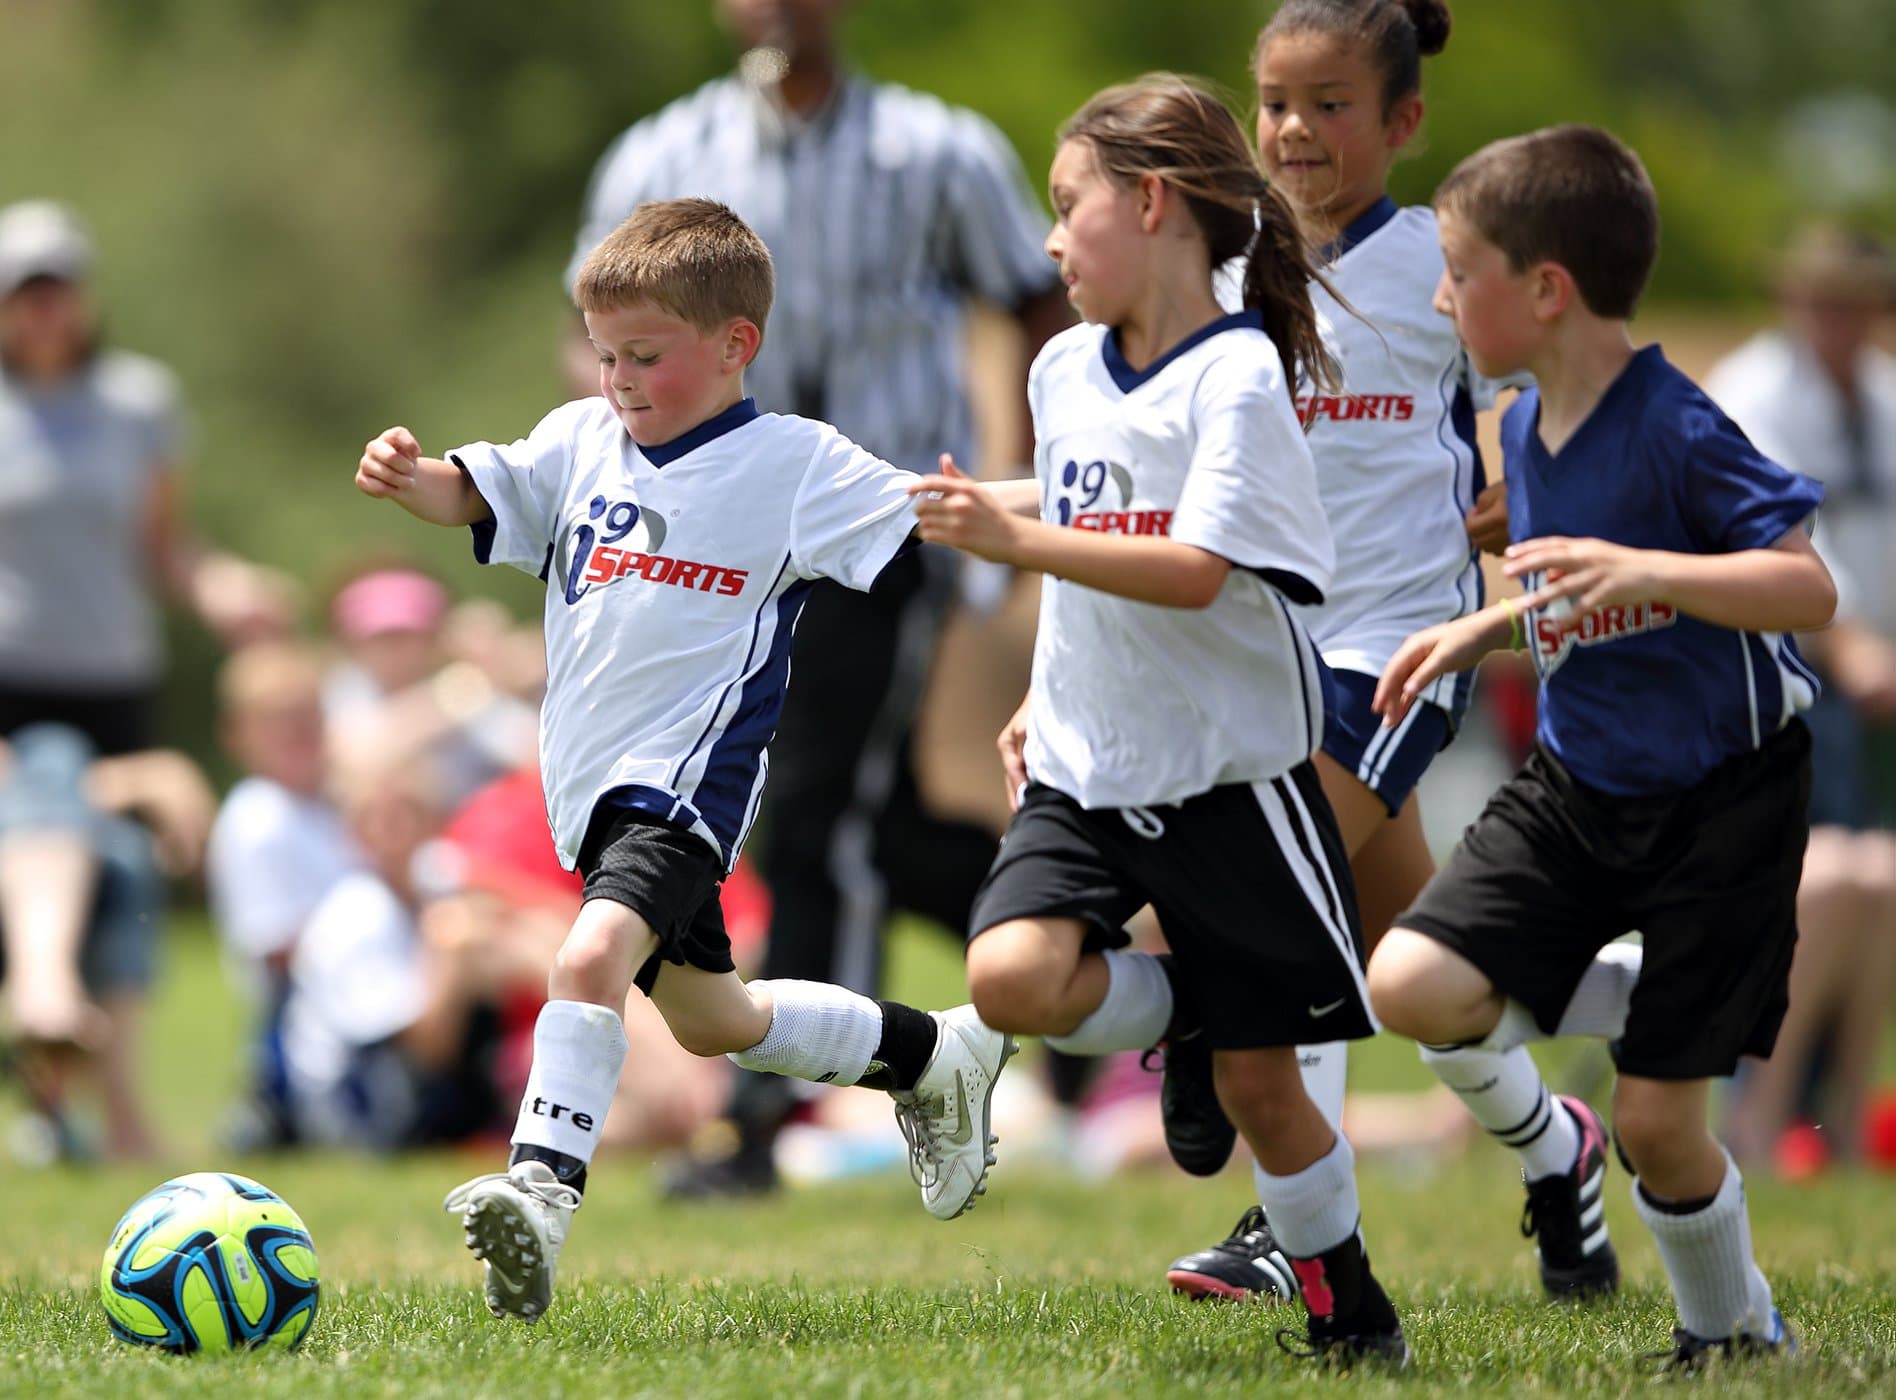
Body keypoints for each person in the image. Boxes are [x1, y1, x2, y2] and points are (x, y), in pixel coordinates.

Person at [355, 198, 1014, 1324]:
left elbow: (946, 512)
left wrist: (1114, 509)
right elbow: (476, 488)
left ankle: (539, 1198)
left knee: (588, 956)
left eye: (645, 356)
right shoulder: (577, 441)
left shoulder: (793, 464)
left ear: (734, 346)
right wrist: (410, 476)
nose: (618, 377)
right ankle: (932, 1053)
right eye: (606, 352)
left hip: (682, 792)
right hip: (589, 799)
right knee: (718, 1020)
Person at [911, 74, 1407, 1366]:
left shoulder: (1238, 379)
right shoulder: (1063, 362)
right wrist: (1035, 679)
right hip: (1088, 760)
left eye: (1068, 206)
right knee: (1010, 977)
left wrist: (1020, 537)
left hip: (1228, 780)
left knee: (1262, 1089)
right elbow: (1085, 515)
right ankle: (1194, 1007)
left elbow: (1191, 569)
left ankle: (1347, 1303)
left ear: (1151, 201)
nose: (1050, 240)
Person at [1161, 0, 1640, 1308]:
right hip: (1259, 648)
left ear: (1403, 122)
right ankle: (1563, 1142)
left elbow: (1555, 383)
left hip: (1397, 644)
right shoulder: (1221, 261)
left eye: (1330, 105)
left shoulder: (1444, 258)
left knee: (1272, 866)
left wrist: (1517, 493)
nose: (1294, 131)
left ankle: (1283, 1213)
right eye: (1274, 102)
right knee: (1411, 973)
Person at [568, 0, 1070, 1197]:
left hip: (868, 535)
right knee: (864, 824)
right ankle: (1101, 959)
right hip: (706, 545)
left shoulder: (935, 149)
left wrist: (1013, 524)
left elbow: (1038, 308)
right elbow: (594, 339)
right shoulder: (661, 153)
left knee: (814, 814)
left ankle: (768, 1124)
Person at [1366, 125, 1834, 1369]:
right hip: (1579, 786)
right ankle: (1657, 988)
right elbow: (1581, 600)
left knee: (1661, 1128)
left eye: (1458, 271)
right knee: (1409, 983)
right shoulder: (1519, 429)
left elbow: (1806, 592)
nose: (1439, 294)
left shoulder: (1678, 423)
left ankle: (1734, 1332)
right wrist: (1482, 630)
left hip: (1722, 801)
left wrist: (1646, 567)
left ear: (1545, 288)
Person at [1704, 228, 1896, 1174]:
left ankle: (1835, 1117)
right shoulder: (1754, 396)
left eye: (1857, 300)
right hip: (1772, 686)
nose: (1842, 317)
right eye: (1825, 298)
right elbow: (1780, 557)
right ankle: (1762, 1113)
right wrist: (1860, 652)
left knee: (1875, 880)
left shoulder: (1886, 401)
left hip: (1863, 694)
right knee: (1816, 884)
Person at [0, 199, 293, 754]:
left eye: (58, 290)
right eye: (28, 294)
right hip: (9, 671)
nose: (45, 309)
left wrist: (225, 587)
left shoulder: (138, 403)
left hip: (112, 676)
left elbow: (161, 547)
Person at [205, 641, 368, 1148]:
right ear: (238, 734)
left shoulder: (331, 806)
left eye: (308, 713)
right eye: (276, 718)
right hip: (302, 1010)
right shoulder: (259, 816)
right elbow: (276, 948)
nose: (298, 730)